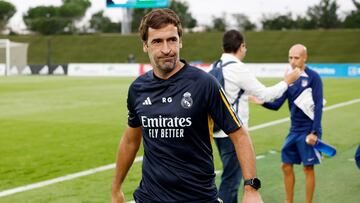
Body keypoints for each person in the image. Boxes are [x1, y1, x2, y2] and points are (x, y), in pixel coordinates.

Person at [111, 9, 263, 203]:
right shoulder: (138, 89)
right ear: (145, 46)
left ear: (180, 41)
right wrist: (116, 188)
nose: (166, 49)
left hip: (198, 198)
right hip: (150, 197)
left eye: (172, 40)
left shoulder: (204, 83)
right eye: (157, 41)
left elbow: (239, 135)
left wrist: (251, 188)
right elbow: (130, 140)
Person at [210, 29, 300, 203]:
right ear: (241, 46)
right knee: (231, 181)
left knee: (228, 177)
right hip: (234, 134)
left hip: (216, 130)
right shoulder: (237, 68)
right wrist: (287, 81)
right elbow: (266, 94)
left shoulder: (215, 66)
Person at [251, 44, 323, 203]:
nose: (292, 61)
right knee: (286, 165)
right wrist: (261, 102)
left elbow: (318, 106)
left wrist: (315, 132)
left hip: (308, 130)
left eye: (296, 57)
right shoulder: (289, 79)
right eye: (290, 57)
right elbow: (277, 105)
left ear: (305, 58)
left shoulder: (314, 77)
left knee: (308, 168)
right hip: (294, 130)